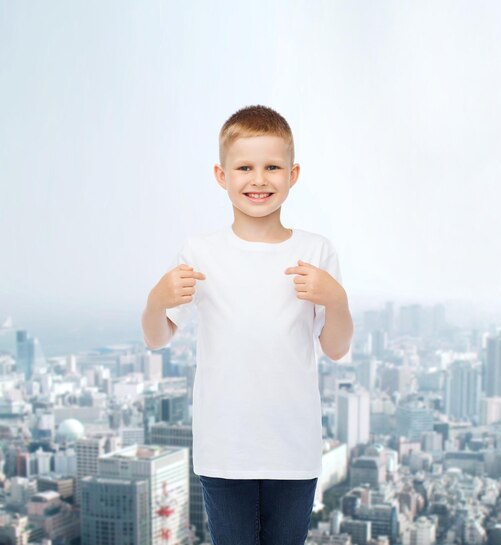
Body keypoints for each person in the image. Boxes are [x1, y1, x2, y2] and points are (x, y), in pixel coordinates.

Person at [141, 104, 353, 545]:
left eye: (272, 166)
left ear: (293, 175)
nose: (259, 179)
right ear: (222, 175)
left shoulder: (317, 251)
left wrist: (337, 299)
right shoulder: (199, 251)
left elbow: (334, 347)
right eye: (245, 167)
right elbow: (156, 337)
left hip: (293, 449)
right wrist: (155, 301)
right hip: (224, 449)